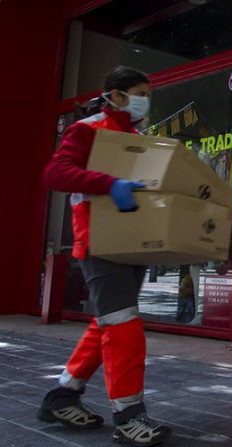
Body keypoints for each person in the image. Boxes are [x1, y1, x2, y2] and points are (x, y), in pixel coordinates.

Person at [39, 66, 172, 445]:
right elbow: (55, 174)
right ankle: (129, 417)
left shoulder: (138, 138)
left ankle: (62, 397)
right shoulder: (88, 129)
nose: (145, 99)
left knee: (107, 323)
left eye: (148, 92)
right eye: (139, 92)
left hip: (131, 243)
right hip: (99, 244)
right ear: (115, 95)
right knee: (124, 326)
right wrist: (108, 183)